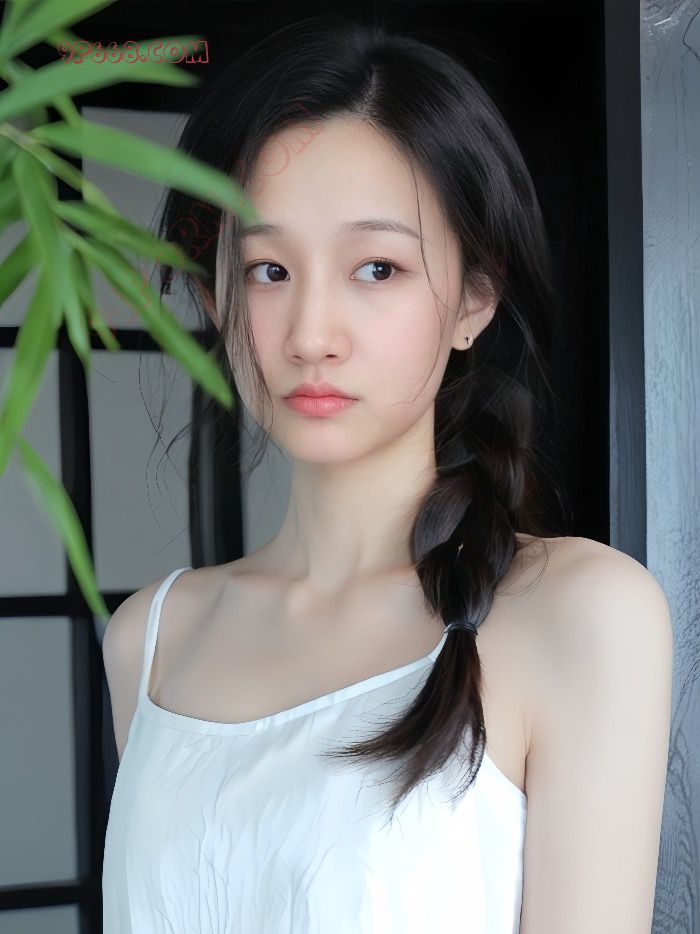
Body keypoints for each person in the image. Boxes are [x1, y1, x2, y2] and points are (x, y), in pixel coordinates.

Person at [101, 13, 673, 933]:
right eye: (268, 270)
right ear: (216, 295)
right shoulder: (151, 640)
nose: (311, 335)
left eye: (376, 267)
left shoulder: (579, 614)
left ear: (475, 297)